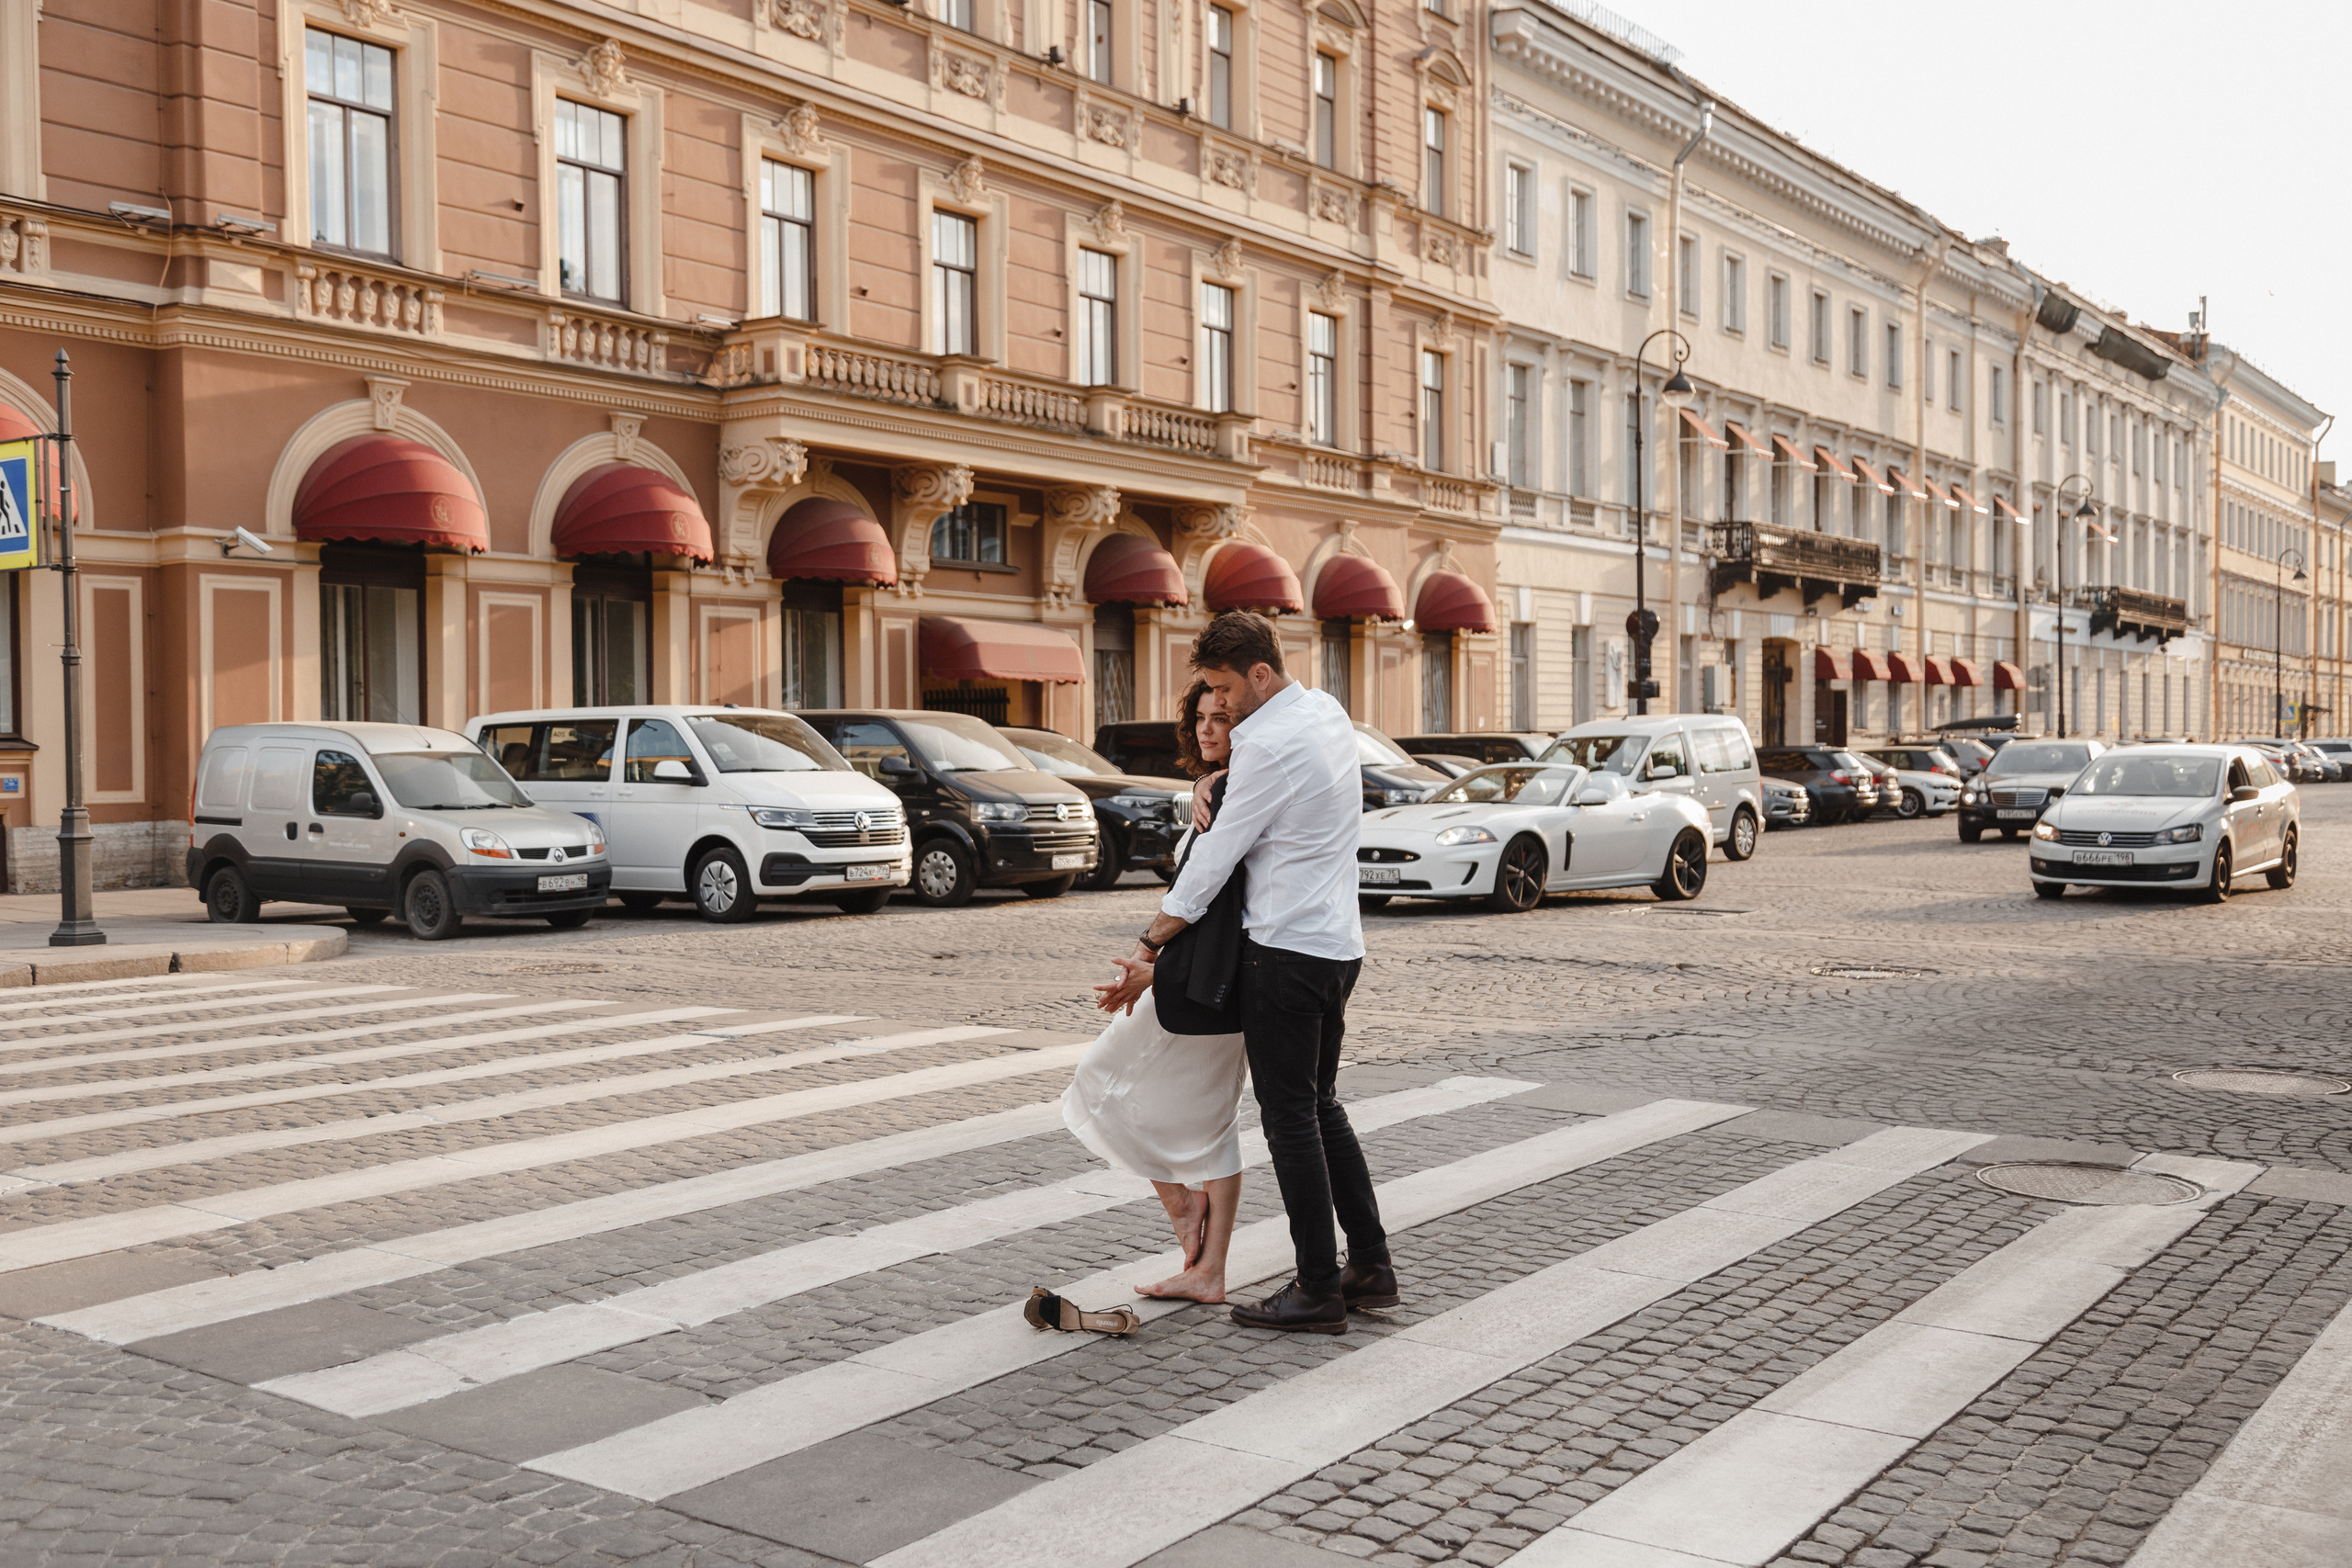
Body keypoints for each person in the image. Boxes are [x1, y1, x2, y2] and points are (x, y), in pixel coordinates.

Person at [1096, 610, 1392, 1335]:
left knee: (1290, 1118)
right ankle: (1370, 1265)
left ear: (1261, 673)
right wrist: (1217, 776)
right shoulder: (1326, 713)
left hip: (1283, 952)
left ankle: (1317, 1286)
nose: (1220, 703)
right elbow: (1279, 795)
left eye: (1226, 688)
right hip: (1337, 946)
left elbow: (1214, 861)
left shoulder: (1267, 743)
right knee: (1321, 1106)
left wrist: (1149, 943)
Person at [1065, 682, 1248, 1303]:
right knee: (1214, 1120)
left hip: (1203, 979)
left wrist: (1153, 963)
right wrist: (1209, 782)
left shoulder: (1236, 790)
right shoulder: (1223, 786)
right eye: (1200, 717)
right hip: (1207, 977)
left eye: (1222, 717)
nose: (1207, 728)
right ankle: (1207, 1267)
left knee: (1098, 1081)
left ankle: (1184, 1212)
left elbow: (1210, 896)